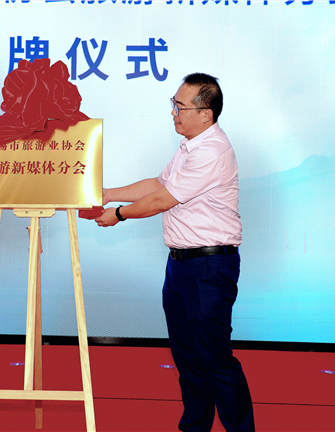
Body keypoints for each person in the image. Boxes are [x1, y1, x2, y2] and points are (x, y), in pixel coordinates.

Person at [95, 73, 255, 432]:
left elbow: (161, 200)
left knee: (214, 358)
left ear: (205, 114)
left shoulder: (212, 151)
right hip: (182, 266)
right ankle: (195, 427)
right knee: (188, 358)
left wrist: (118, 214)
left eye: (180, 107)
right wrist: (108, 194)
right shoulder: (189, 147)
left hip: (209, 266)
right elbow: (158, 184)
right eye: (174, 104)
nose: (173, 113)